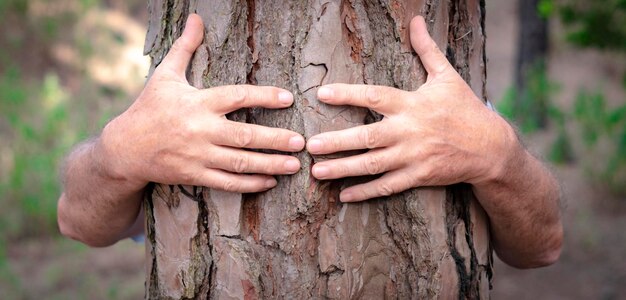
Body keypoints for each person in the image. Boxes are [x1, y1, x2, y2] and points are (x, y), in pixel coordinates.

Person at [57, 14, 562, 269]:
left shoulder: (445, 105)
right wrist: (117, 155)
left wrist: (500, 155)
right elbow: (78, 222)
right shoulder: (182, 93)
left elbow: (541, 247)